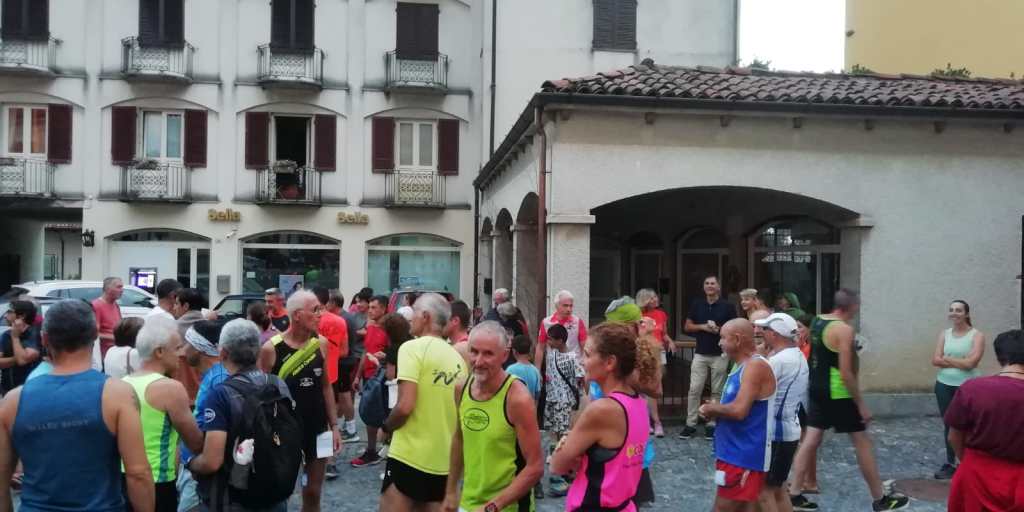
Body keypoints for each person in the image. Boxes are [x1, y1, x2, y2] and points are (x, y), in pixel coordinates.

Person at [0, 299, 154, 511]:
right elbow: (138, 473)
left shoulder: (13, 401)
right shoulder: (117, 394)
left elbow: (2, 478)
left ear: (44, 339)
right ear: (94, 335)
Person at [788, 289, 908, 511]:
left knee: (811, 439)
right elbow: (845, 372)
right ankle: (880, 499)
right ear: (852, 306)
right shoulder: (844, 330)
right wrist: (861, 404)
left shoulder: (818, 321)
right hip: (838, 392)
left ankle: (794, 494)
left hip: (816, 387)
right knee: (862, 441)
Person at [187, 319, 296, 512]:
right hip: (275, 491)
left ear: (222, 353)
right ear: (258, 352)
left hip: (235, 498)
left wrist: (190, 464)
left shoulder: (221, 394)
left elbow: (212, 461)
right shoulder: (277, 384)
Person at [441, 321, 543, 512]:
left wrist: (492, 507)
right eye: (474, 352)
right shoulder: (461, 388)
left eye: (488, 354)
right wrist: (451, 491)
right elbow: (459, 439)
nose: (479, 361)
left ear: (504, 355)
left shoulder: (517, 399)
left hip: (508, 508)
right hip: (468, 503)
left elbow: (535, 467)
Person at [551, 322, 651, 512]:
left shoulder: (602, 410)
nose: (582, 361)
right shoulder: (639, 403)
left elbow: (558, 466)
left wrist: (565, 443)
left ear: (609, 363)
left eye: (587, 354)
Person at [379, 293, 465, 511]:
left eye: (415, 312)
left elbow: (405, 405)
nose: (410, 318)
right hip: (444, 462)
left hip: (409, 456)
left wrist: (386, 427)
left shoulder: (411, 348)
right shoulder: (457, 359)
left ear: (426, 316)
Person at [259, 290, 340, 512]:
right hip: (283, 431)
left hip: (317, 428)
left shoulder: (321, 344)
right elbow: (261, 395)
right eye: (315, 310)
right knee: (280, 490)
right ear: (297, 315)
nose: (320, 314)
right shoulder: (271, 349)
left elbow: (326, 386)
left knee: (313, 493)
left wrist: (334, 426)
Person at [126, 316, 204, 512]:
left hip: (123, 478)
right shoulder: (170, 388)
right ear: (159, 352)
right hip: (157, 480)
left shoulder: (122, 382)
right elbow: (196, 442)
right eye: (177, 348)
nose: (182, 353)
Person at [698, 318, 776, 512]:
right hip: (733, 453)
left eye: (723, 338)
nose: (719, 343)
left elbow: (739, 411)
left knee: (722, 508)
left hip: (742, 455)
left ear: (738, 339)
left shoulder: (755, 366)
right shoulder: (742, 366)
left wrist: (711, 409)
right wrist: (716, 409)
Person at [943, 329, 1024, 512]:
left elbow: (954, 437)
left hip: (976, 476)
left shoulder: (973, 389)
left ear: (1000, 356)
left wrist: (970, 463)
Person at [603, 299, 665, 507]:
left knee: (629, 501)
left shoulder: (641, 350)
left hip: (628, 439)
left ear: (630, 327)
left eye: (614, 327)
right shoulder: (607, 348)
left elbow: (656, 390)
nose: (609, 332)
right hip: (604, 435)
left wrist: (625, 375)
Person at [754, 313, 809, 512]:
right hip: (788, 431)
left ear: (775, 334)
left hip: (776, 433)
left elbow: (756, 391)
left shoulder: (779, 361)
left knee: (764, 491)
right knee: (779, 489)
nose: (761, 332)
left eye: (765, 329)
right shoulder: (797, 355)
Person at [177, 320, 230, 512]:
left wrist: (194, 464)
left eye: (187, 343)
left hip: (202, 473)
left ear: (199, 348)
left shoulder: (219, 380)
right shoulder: (214, 376)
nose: (183, 350)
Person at [931, 299, 985, 480]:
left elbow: (971, 364)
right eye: (951, 310)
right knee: (949, 424)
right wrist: (961, 361)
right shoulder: (944, 334)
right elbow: (935, 360)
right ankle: (951, 463)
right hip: (943, 385)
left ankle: (968, 463)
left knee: (969, 425)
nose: (954, 313)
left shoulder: (976, 335)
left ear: (966, 314)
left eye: (959, 310)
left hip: (969, 387)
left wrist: (947, 359)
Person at [681, 275, 737, 440]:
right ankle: (690, 424)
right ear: (704, 287)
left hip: (720, 354)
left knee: (717, 391)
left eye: (713, 283)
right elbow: (687, 326)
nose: (710, 286)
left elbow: (734, 329)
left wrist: (718, 329)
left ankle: (712, 423)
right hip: (700, 353)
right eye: (707, 283)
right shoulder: (697, 304)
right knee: (694, 389)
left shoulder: (728, 306)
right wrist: (703, 327)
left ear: (718, 287)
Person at [541, 323, 584, 497]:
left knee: (564, 435)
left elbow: (581, 377)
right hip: (551, 399)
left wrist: (582, 398)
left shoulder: (572, 357)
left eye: (551, 339)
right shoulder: (551, 354)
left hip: (564, 401)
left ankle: (564, 472)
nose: (548, 342)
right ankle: (558, 468)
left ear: (560, 340)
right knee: (554, 433)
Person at [350, 294, 389, 468]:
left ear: (384, 309)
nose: (370, 310)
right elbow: (366, 352)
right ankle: (372, 450)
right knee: (369, 414)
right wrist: (358, 376)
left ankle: (382, 449)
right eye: (370, 307)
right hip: (368, 376)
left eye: (374, 307)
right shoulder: (371, 326)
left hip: (382, 377)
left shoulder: (388, 330)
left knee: (383, 415)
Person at [636, 288, 674, 438]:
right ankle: (650, 421)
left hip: (658, 352)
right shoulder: (638, 315)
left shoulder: (661, 314)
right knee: (643, 386)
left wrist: (670, 341)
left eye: (655, 297)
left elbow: (663, 333)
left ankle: (655, 421)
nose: (655, 299)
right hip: (644, 351)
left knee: (655, 386)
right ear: (645, 300)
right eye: (651, 298)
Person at [334, 291, 368, 443]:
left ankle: (349, 429)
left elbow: (344, 346)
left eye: (361, 301)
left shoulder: (344, 318)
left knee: (346, 394)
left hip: (348, 360)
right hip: (351, 359)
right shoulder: (351, 316)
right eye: (357, 301)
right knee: (345, 394)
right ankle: (345, 426)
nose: (358, 304)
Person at [535, 290, 587, 370]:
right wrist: (537, 371)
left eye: (571, 306)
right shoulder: (546, 323)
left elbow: (585, 347)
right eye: (565, 306)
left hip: (574, 370)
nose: (569, 309)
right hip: (553, 371)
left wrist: (585, 368)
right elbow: (540, 348)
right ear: (557, 306)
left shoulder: (577, 322)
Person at [0, 300, 42, 394]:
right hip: (7, 389)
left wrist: (15, 338)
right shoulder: (6, 335)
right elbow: (21, 359)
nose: (5, 316)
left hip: (29, 390)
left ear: (22, 316)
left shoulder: (34, 333)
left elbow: (22, 361)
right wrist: (17, 357)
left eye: (10, 312)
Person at [174, 288, 207, 403]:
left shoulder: (172, 330)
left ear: (186, 306)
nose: (174, 307)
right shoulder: (211, 329)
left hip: (182, 394)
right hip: (206, 393)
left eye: (177, 303)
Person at [92, 276, 124, 358]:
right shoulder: (96, 306)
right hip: (105, 355)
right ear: (107, 289)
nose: (122, 290)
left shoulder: (115, 305)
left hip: (117, 352)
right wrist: (114, 338)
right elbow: (93, 334)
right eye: (119, 287)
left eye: (122, 287)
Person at [506, 335, 541, 400]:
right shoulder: (535, 370)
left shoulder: (510, 370)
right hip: (530, 405)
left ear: (514, 351)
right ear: (529, 350)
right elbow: (537, 394)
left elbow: (505, 391)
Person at [446, 300, 472, 365]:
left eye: (444, 318)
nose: (440, 322)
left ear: (455, 321)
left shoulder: (458, 350)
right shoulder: (469, 344)